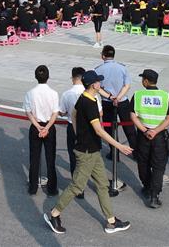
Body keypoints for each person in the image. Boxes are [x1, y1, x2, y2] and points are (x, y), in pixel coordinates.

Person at [44, 71, 131, 235]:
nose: (101, 84)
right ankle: (54, 214)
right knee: (77, 186)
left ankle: (111, 221)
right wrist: (119, 146)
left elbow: (74, 114)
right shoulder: (89, 103)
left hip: (92, 150)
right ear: (94, 85)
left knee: (103, 185)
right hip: (86, 153)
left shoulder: (84, 97)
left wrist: (78, 134)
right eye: (99, 82)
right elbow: (99, 130)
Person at [130, 69, 169, 208]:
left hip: (143, 136)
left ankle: (147, 187)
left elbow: (133, 116)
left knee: (143, 162)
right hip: (159, 137)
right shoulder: (165, 96)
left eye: (143, 79)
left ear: (146, 81)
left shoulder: (138, 95)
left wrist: (145, 130)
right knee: (158, 166)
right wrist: (155, 131)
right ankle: (154, 196)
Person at [94, 45, 138, 159]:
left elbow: (98, 88)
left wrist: (110, 97)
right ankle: (137, 153)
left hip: (107, 102)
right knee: (129, 128)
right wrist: (118, 97)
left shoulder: (98, 70)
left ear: (103, 56)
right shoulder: (122, 68)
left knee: (110, 128)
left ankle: (114, 153)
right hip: (122, 101)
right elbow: (127, 85)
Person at [24, 64, 59, 196]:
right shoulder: (54, 93)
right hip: (49, 126)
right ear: (48, 77)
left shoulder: (30, 93)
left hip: (36, 126)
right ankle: (52, 188)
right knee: (50, 159)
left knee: (34, 158)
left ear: (35, 77)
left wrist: (38, 126)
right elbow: (55, 113)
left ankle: (33, 187)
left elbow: (28, 112)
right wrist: (47, 127)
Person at [59, 66, 87, 198]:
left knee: (73, 157)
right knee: (87, 157)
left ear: (72, 78)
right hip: (88, 128)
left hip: (72, 127)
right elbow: (100, 112)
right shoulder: (90, 93)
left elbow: (62, 112)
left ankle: (78, 187)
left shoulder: (67, 94)